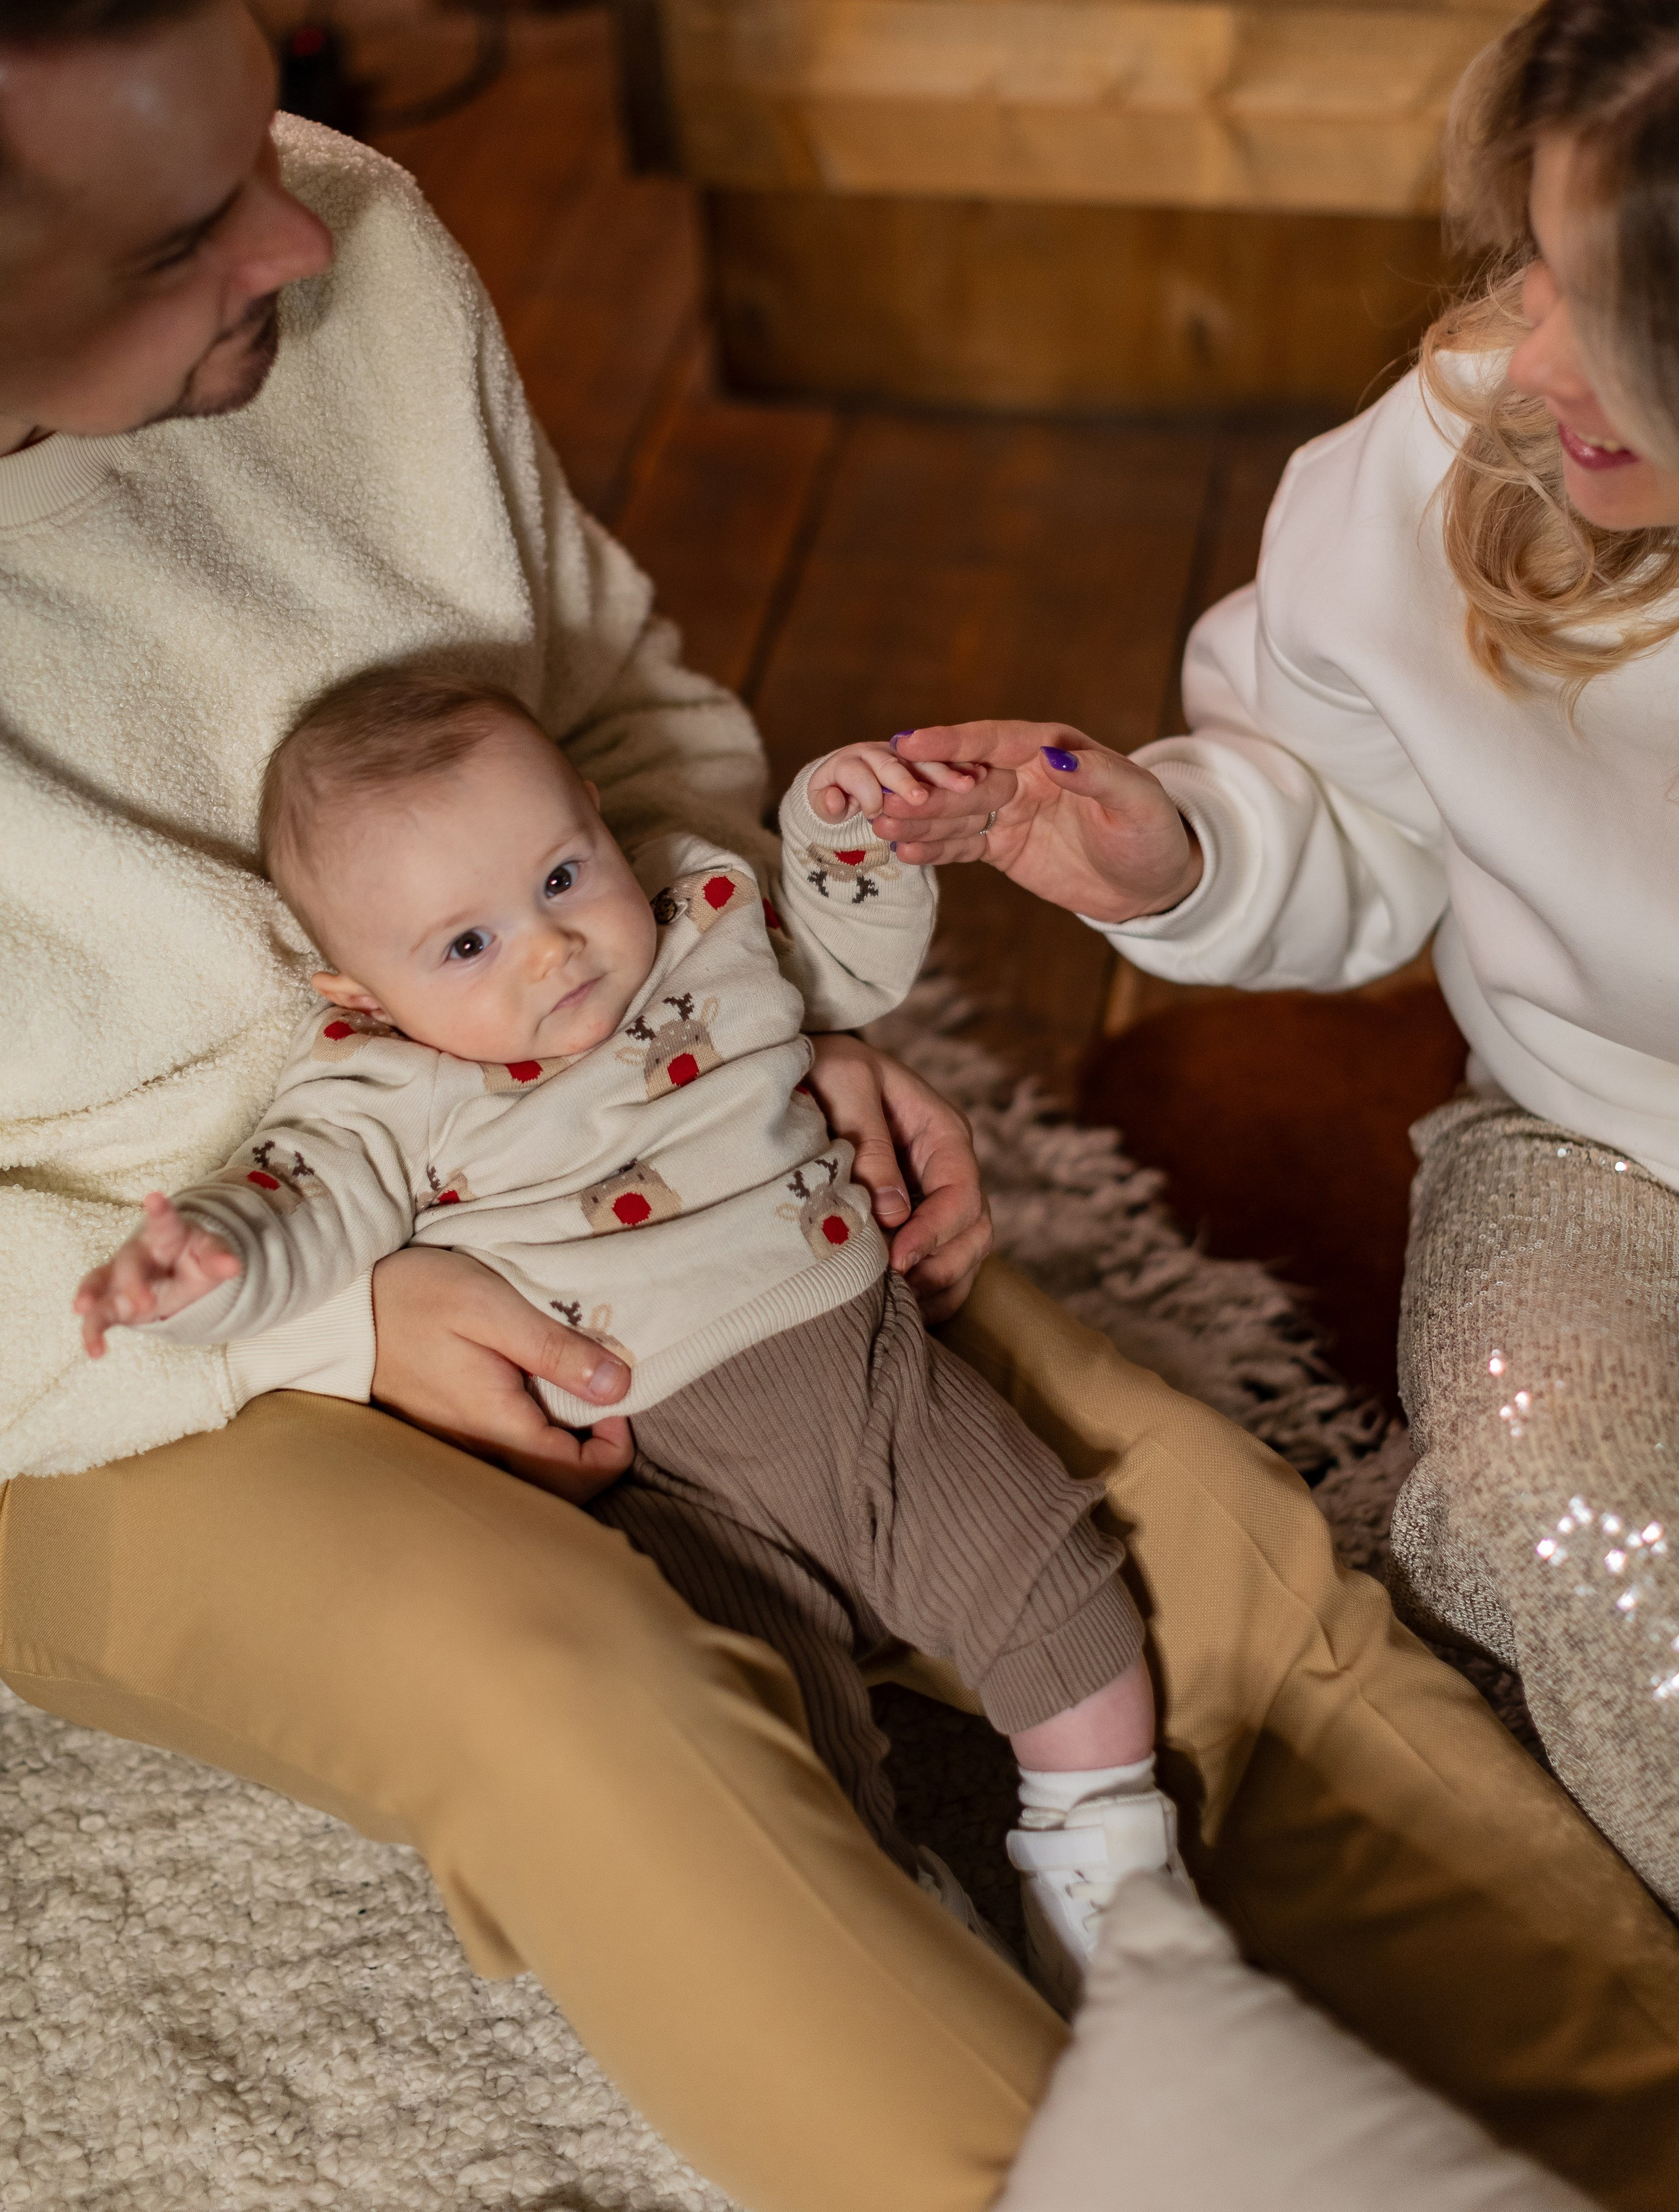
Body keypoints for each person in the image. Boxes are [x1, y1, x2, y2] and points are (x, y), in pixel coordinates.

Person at [3, 0, 1679, 2212]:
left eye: (276, 132)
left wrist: (805, 1007)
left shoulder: (345, 250)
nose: (288, 244)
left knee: (1176, 1529)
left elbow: (628, 715)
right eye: (176, 237)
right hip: (122, 1346)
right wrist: (320, 1328)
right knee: (596, 1696)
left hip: (633, 1122)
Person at [893, 0, 1679, 1936]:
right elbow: (1339, 808)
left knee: (1476, 1581)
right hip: (1600, 1154)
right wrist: (1184, 852)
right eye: (1533, 266)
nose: (1533, 357)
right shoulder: (1452, 465)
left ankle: (1358, 1636)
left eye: (1621, 317)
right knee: (1543, 1484)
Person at [74, 668, 1183, 2008]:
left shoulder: (699, 919)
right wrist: (207, 1260)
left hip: (865, 1374)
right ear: (356, 992)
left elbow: (844, 969)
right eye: (464, 947)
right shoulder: (383, 1087)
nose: (550, 948)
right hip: (657, 1469)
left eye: (559, 876)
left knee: (1057, 1589)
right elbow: (301, 1210)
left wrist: (840, 831)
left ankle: (1106, 1861)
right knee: (764, 1752)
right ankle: (906, 1941)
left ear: (601, 821)